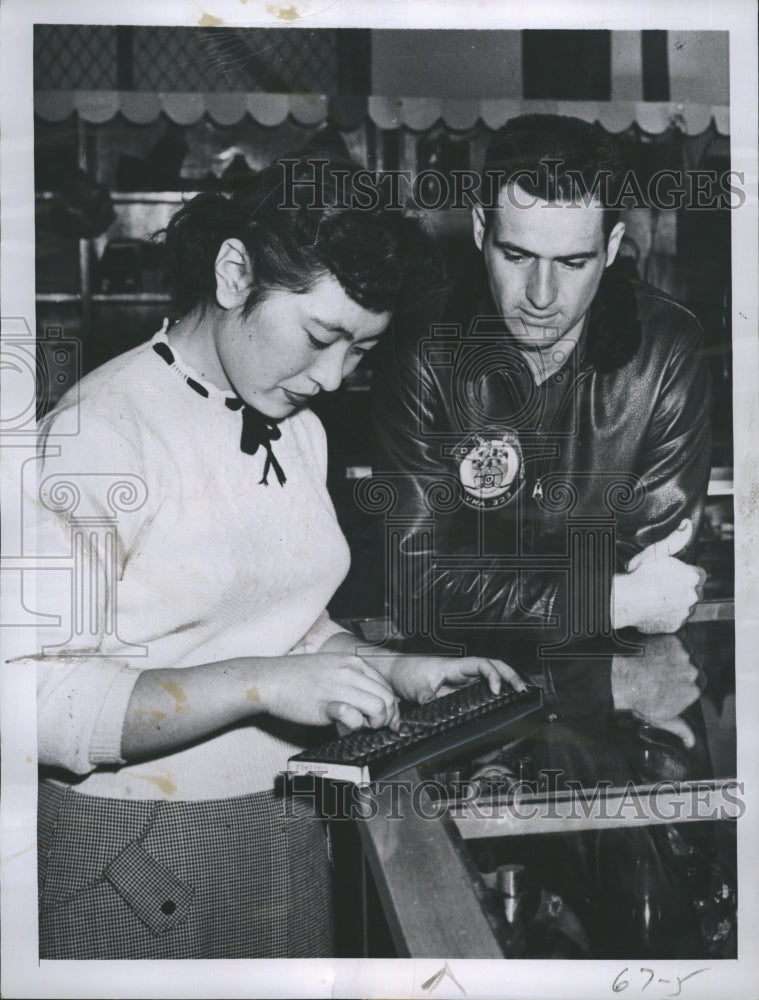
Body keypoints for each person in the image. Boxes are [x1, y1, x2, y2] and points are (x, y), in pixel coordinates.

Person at [26, 157, 525, 960]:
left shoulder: (294, 421)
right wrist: (266, 683)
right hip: (132, 848)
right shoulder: (98, 432)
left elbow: (287, 621)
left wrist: (392, 669)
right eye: (322, 336)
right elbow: (35, 702)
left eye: (360, 351)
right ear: (233, 275)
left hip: (282, 819)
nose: (332, 378)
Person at [371, 115, 720, 956]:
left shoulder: (666, 347)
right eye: (516, 255)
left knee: (656, 923)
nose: (540, 295)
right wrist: (602, 591)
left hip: (622, 707)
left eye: (570, 262)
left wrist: (496, 573)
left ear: (612, 247)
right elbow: (415, 584)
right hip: (463, 706)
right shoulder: (423, 350)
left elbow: (658, 573)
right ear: (481, 230)